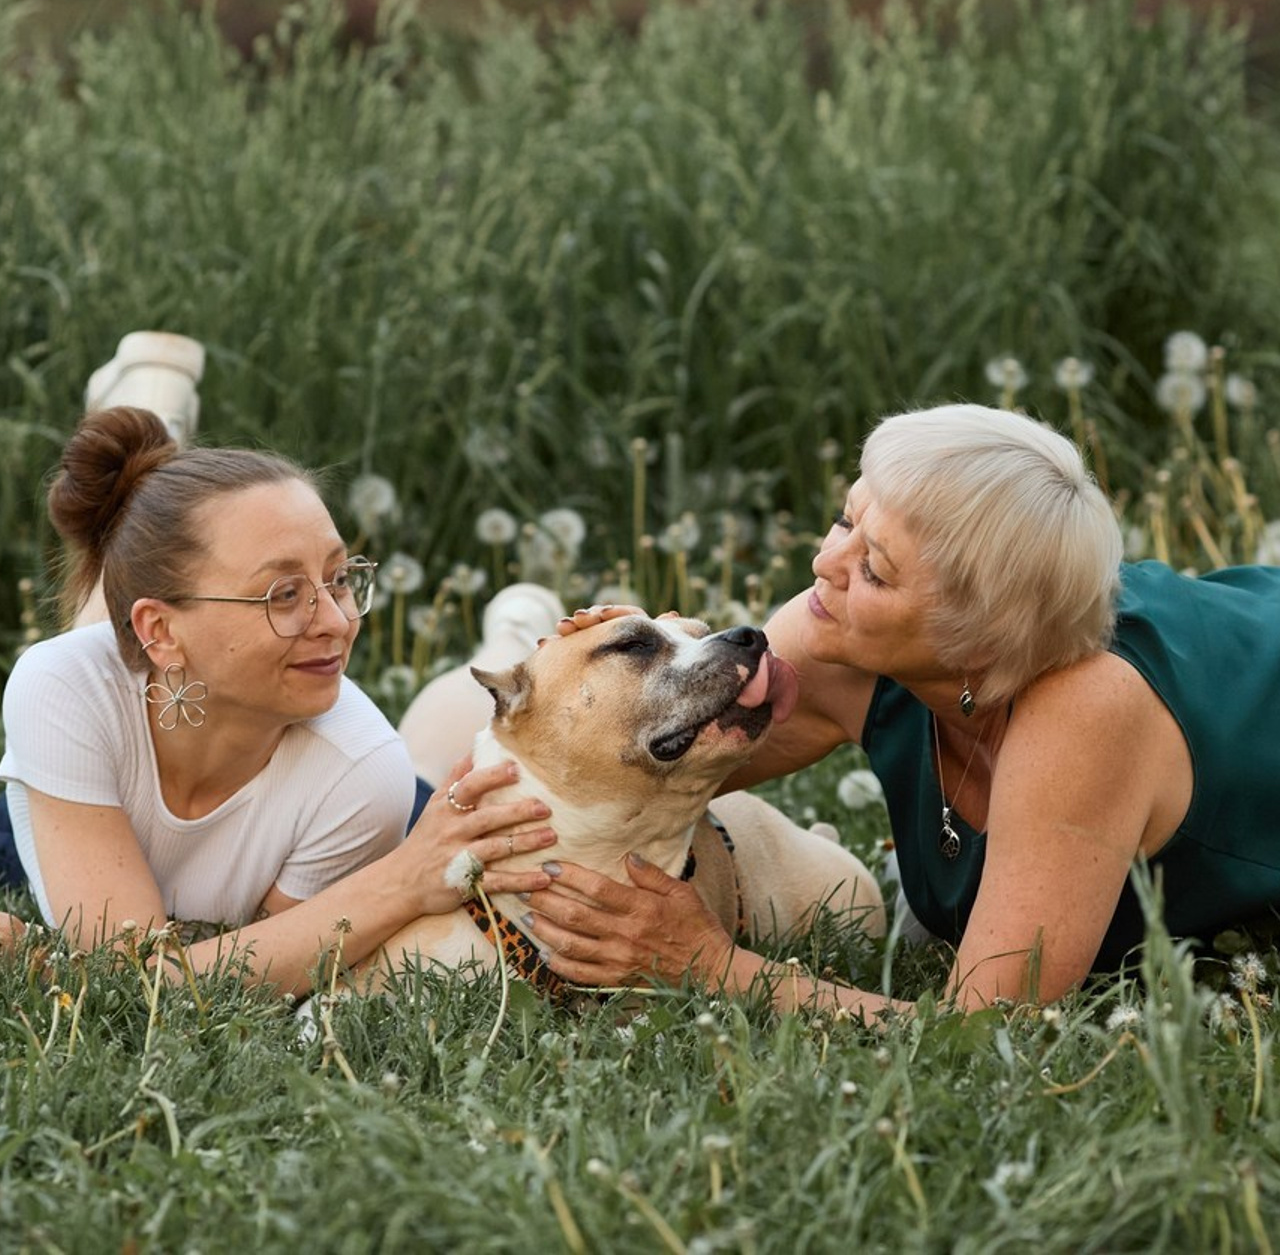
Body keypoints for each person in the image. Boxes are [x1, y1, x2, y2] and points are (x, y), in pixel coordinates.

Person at [518, 402, 1280, 1017]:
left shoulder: (1085, 714)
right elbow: (592, 782)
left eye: (875, 570)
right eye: (849, 520)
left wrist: (712, 965)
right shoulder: (829, 638)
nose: (826, 563)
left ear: (972, 640)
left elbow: (986, 1030)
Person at [0, 406, 557, 992]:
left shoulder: (362, 774)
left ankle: (515, 632)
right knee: (109, 647)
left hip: (364, 796)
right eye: (284, 593)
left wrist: (404, 878)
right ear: (158, 631)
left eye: (339, 578)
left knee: (415, 767)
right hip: (59, 821)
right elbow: (130, 974)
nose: (339, 622)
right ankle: (146, 410)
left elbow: (238, 982)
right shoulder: (63, 687)